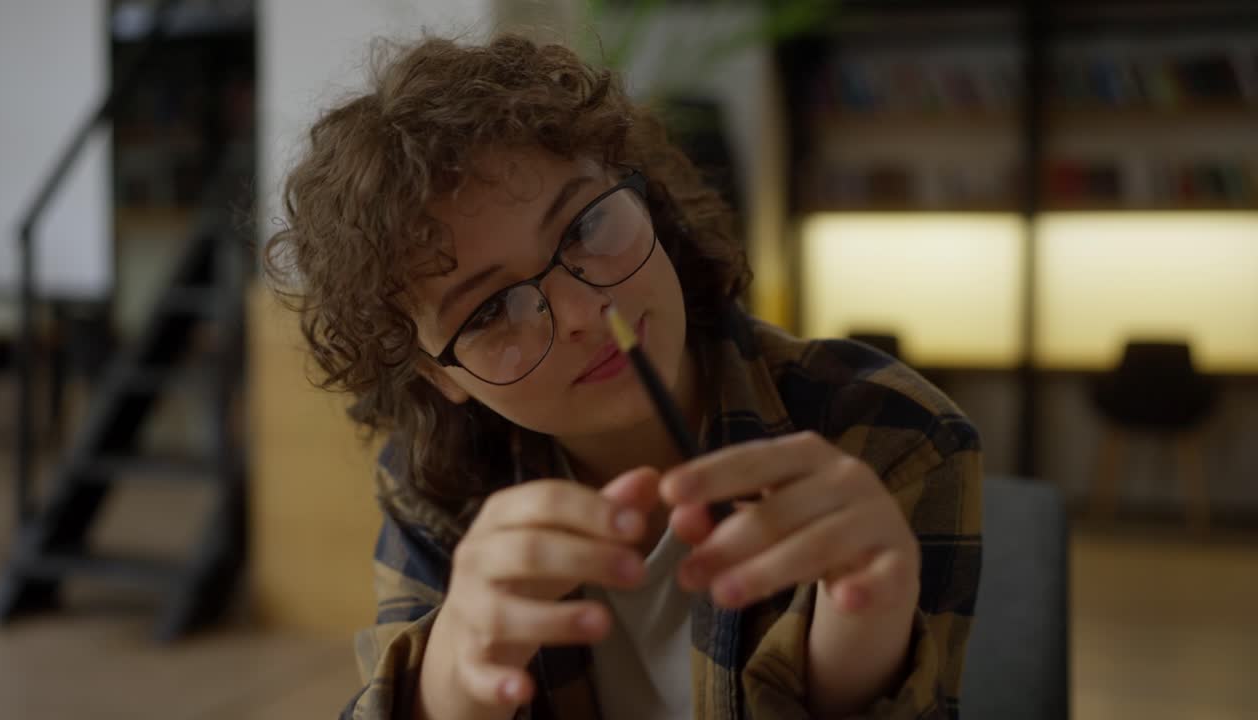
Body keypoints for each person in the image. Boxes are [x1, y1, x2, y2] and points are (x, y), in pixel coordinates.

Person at [265, 33, 981, 720]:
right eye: (489, 311)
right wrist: (453, 678)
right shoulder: (435, 486)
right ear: (436, 376)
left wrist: (862, 641)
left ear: (641, 196)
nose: (586, 310)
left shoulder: (889, 431)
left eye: (584, 228)